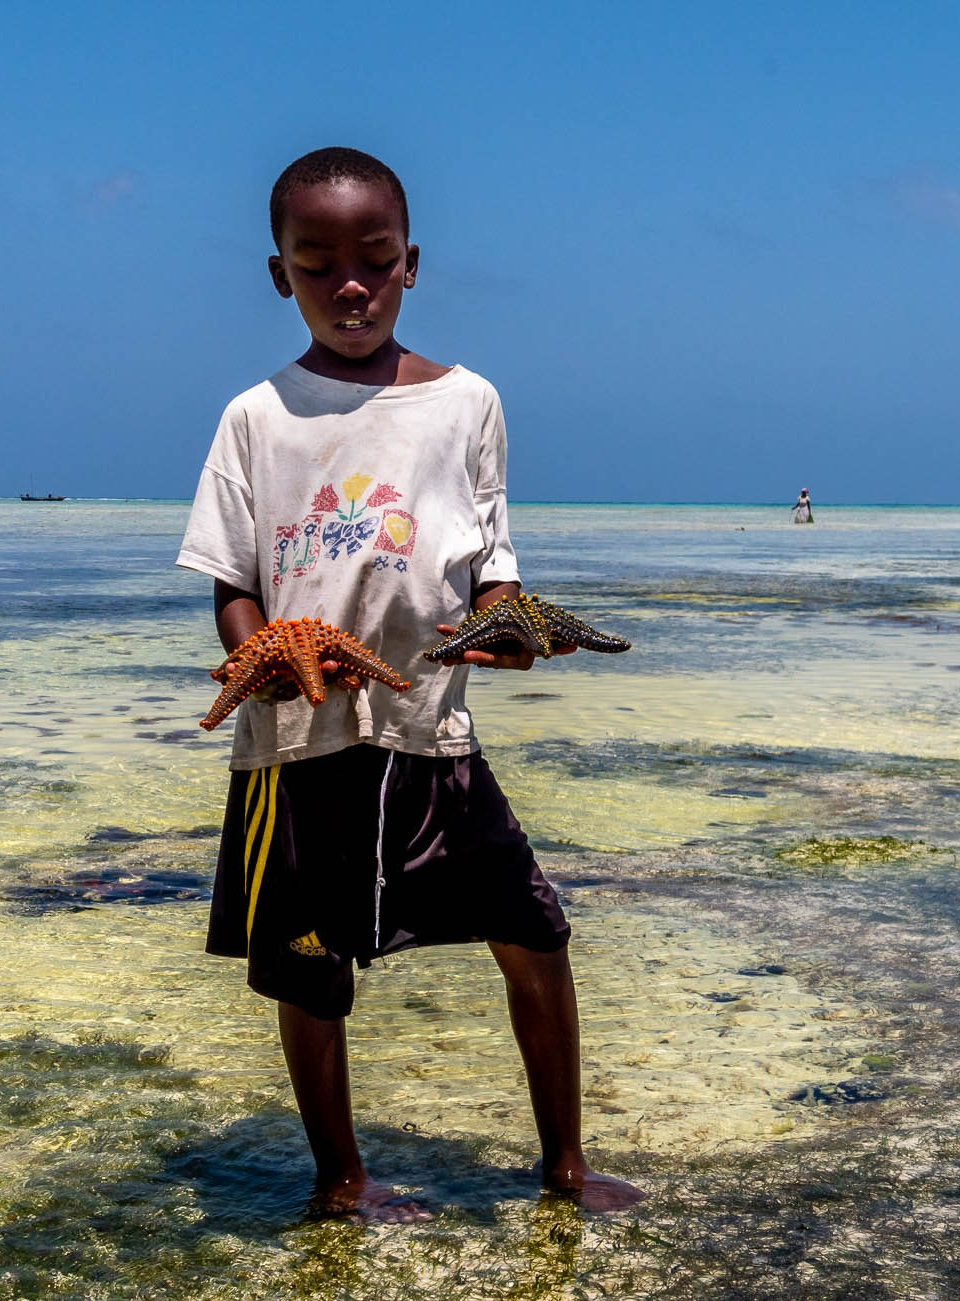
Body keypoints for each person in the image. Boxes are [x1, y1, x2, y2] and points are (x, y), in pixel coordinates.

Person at [176, 147, 644, 1221]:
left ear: (411, 263)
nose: (350, 284)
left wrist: (515, 632)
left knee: (535, 933)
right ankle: (340, 1179)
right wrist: (263, 658)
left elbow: (496, 572)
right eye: (317, 263)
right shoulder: (256, 416)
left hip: (429, 728)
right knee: (306, 969)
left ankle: (564, 1164)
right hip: (294, 746)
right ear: (277, 273)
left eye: (374, 261)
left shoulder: (467, 401)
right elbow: (234, 588)